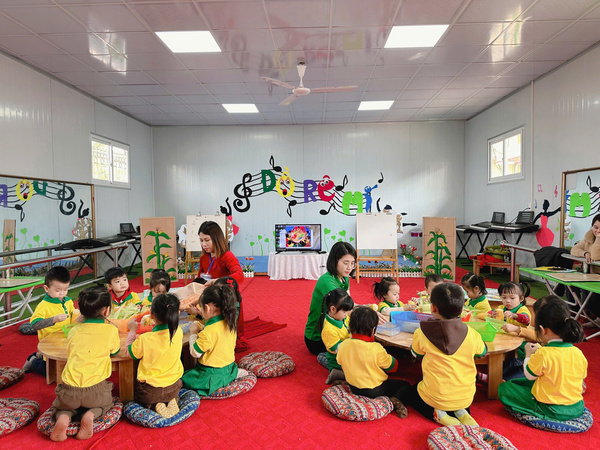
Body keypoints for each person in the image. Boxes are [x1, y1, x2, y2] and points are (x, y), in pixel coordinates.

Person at [399, 283, 487, 426]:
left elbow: (416, 353)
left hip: (435, 396)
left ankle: (438, 414)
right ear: (462, 309)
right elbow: (482, 352)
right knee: (456, 398)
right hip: (465, 397)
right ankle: (462, 412)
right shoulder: (472, 334)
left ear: (432, 308)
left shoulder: (421, 333)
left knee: (413, 392)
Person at [48, 286, 120, 442]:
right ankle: (91, 414)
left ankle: (63, 417)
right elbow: (115, 351)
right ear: (107, 311)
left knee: (61, 408)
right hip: (96, 391)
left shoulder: (74, 331)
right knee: (106, 404)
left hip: (69, 391)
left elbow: (70, 351)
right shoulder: (111, 330)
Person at [498, 298, 587, 421]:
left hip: (550, 408)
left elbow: (529, 376)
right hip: (576, 406)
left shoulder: (544, 353)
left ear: (543, 330)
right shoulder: (578, 353)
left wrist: (529, 355)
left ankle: (537, 411)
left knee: (505, 388)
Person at [337, 306, 410, 418]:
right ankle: (397, 400)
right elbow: (393, 367)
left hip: (354, 387)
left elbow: (341, 364)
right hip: (375, 390)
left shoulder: (343, 345)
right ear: (373, 330)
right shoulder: (376, 348)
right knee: (405, 385)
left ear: (350, 326)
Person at [181, 282, 248, 396]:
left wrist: (193, 333)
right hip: (229, 368)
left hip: (211, 374)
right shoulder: (230, 322)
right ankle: (232, 376)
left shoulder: (209, 332)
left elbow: (195, 352)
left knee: (184, 378)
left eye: (201, 308)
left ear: (207, 308)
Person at [126, 293, 183, 418]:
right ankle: (172, 399)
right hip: (174, 386)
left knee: (138, 393)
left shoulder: (145, 339)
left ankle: (153, 405)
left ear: (151, 315)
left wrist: (132, 331)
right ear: (177, 313)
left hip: (151, 391)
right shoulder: (178, 332)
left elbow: (129, 353)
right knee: (172, 390)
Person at [304, 242, 357, 355]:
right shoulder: (327, 281)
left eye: (352, 263)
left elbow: (350, 305)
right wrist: (368, 314)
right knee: (355, 351)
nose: (349, 267)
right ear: (334, 261)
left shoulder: (344, 277)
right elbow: (346, 308)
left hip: (338, 330)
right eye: (345, 263)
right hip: (318, 338)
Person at [24, 266, 74, 376]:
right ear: (46, 288)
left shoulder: (68, 301)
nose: (62, 293)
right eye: (58, 290)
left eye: (65, 289)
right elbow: (35, 324)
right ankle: (33, 360)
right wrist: (53, 319)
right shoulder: (43, 306)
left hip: (65, 342)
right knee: (52, 372)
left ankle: (39, 356)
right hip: (50, 345)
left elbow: (73, 316)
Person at [320, 288, 354, 384]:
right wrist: (354, 340)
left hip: (348, 354)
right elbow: (339, 349)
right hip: (338, 362)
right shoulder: (329, 330)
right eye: (344, 311)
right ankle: (337, 374)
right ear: (333, 309)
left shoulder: (340, 317)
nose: (346, 314)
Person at [195, 221, 244, 286]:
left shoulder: (227, 256)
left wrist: (218, 281)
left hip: (224, 291)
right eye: (201, 240)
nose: (203, 244)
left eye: (207, 240)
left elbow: (239, 275)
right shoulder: (203, 258)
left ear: (216, 239)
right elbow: (198, 280)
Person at [570, 213, 600, 319]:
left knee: (593, 293)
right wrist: (585, 253)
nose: (598, 231)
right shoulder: (589, 237)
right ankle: (576, 310)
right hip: (590, 275)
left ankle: (595, 316)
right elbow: (574, 250)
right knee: (571, 284)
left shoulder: (597, 238)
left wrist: (598, 239)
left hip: (597, 278)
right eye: (595, 227)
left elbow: (595, 256)